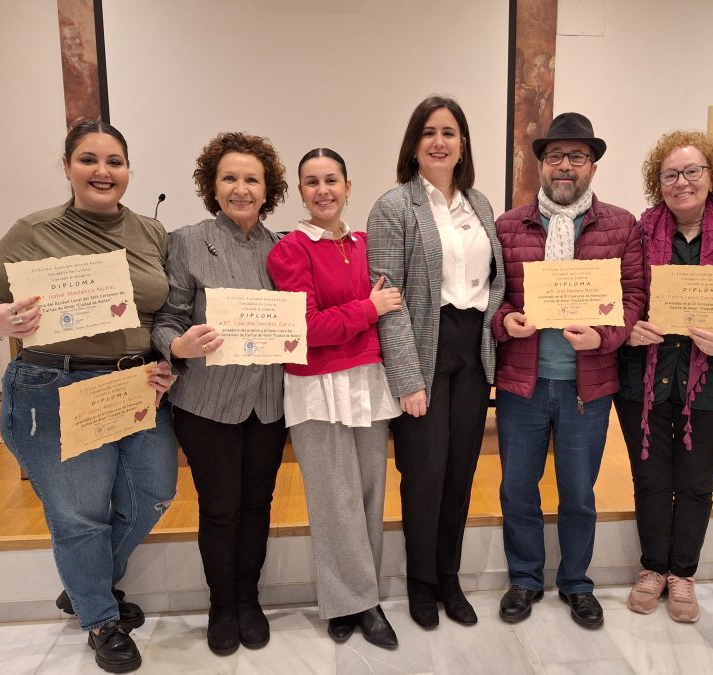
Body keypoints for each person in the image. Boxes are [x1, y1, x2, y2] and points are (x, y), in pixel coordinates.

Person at [0, 119, 178, 674]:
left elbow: (162, 314)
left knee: (156, 491)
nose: (102, 172)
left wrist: (169, 362)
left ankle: (85, 587)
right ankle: (100, 619)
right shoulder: (33, 230)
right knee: (80, 516)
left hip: (136, 385)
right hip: (54, 385)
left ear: (128, 170)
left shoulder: (152, 233)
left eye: (114, 161)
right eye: (88, 159)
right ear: (66, 167)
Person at [493, 112, 645, 628]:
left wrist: (605, 336)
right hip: (523, 383)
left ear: (593, 167)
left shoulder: (622, 225)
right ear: (540, 164)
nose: (565, 166)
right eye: (555, 156)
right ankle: (525, 579)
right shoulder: (509, 226)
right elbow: (491, 300)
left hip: (589, 384)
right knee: (518, 487)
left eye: (576, 157)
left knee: (579, 491)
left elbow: (635, 297)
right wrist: (504, 321)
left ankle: (577, 582)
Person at [615, 131, 713, 623]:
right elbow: (623, 294)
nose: (681, 182)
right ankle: (652, 569)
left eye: (692, 172)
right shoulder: (638, 232)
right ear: (656, 182)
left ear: (711, 177)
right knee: (651, 480)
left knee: (698, 483)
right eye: (670, 174)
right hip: (646, 379)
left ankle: (683, 573)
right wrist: (629, 328)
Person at [367, 95, 506, 628]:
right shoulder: (393, 207)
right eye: (428, 132)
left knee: (461, 471)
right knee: (423, 473)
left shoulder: (481, 205)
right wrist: (406, 378)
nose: (439, 141)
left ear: (463, 144)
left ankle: (449, 577)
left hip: (474, 352)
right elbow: (388, 299)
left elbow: (494, 284)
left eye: (449, 132)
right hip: (423, 348)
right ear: (414, 143)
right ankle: (421, 582)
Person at [151, 132, 288, 656]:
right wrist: (177, 346)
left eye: (252, 179)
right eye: (229, 177)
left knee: (258, 505)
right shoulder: (186, 241)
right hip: (206, 401)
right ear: (212, 185)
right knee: (221, 507)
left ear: (267, 188)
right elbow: (165, 320)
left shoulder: (282, 248)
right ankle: (221, 606)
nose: (241, 188)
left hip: (269, 401)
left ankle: (249, 600)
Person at [266, 148, 403, 649]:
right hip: (315, 387)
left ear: (348, 186)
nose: (322, 190)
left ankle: (351, 599)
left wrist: (358, 314)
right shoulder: (290, 250)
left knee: (368, 495)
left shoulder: (369, 244)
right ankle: (359, 604)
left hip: (367, 383)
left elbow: (382, 311)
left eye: (331, 180)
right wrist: (367, 308)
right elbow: (303, 328)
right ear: (300, 192)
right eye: (311, 182)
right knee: (333, 501)